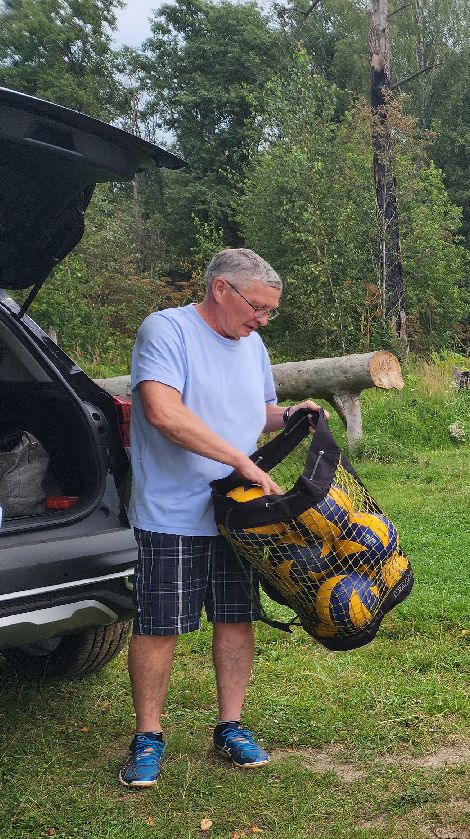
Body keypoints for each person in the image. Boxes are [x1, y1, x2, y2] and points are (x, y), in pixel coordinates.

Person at [121, 248, 321, 789]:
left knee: (235, 618)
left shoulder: (251, 344)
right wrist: (238, 459)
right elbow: (164, 413)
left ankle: (230, 726)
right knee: (160, 624)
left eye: (270, 312)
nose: (262, 320)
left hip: (237, 512)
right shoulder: (166, 332)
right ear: (221, 289)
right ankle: (148, 736)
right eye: (257, 307)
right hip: (172, 510)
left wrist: (291, 416)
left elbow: (255, 411)